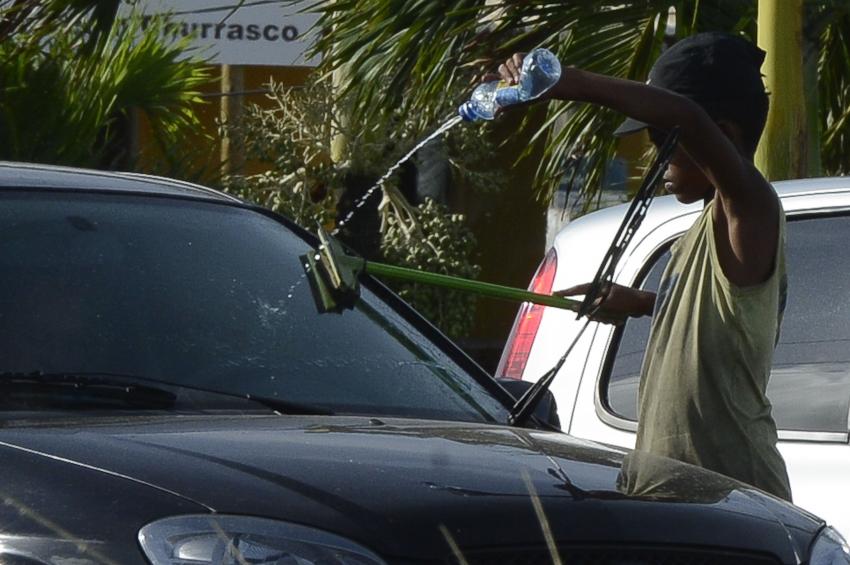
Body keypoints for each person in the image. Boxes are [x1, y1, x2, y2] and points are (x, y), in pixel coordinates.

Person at [490, 32, 791, 501]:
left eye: (663, 140)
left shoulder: (750, 209)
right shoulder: (703, 231)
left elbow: (687, 116)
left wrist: (566, 82)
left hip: (732, 497)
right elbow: (722, 317)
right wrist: (644, 303)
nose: (657, 159)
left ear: (723, 137)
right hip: (676, 494)